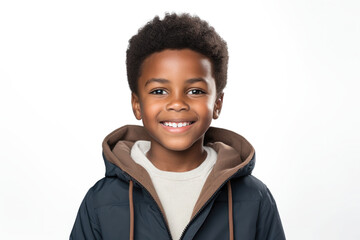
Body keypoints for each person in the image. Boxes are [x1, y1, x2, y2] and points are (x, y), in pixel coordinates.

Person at [70, 13, 286, 240]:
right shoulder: (101, 202)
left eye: (195, 91)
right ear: (137, 104)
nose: (177, 104)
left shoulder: (254, 198)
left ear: (217, 104)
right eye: (159, 91)